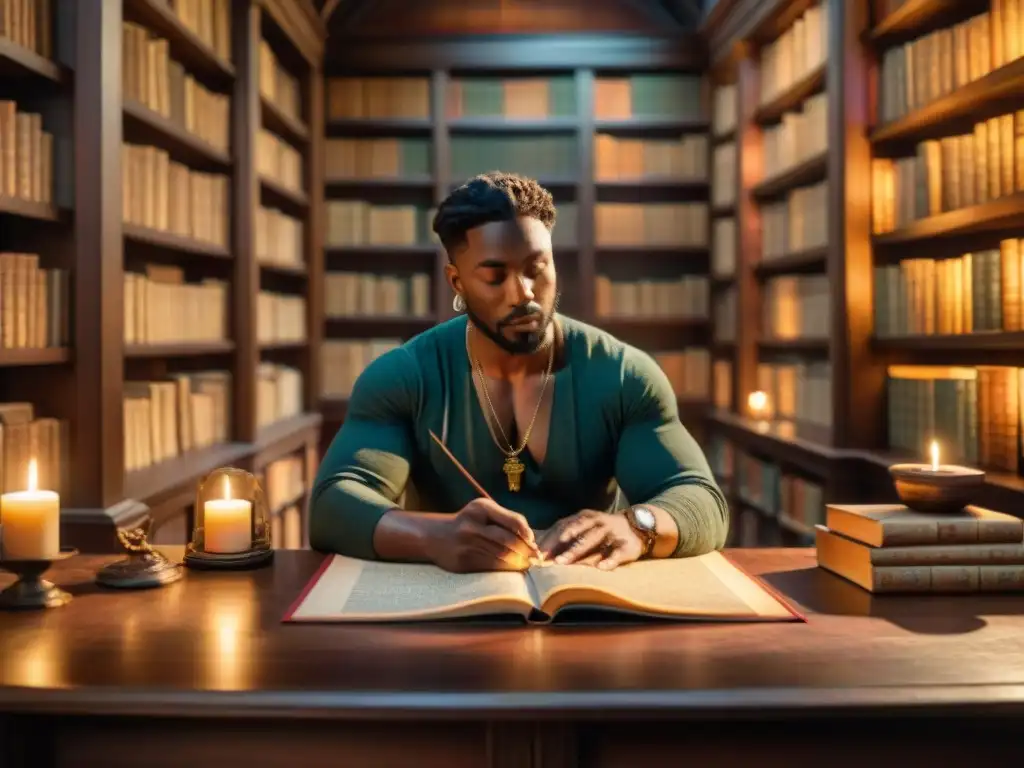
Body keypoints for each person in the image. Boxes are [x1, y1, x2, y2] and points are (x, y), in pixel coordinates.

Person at [309, 171, 728, 572]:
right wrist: (433, 537)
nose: (523, 293)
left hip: (585, 600)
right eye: (495, 276)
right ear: (457, 282)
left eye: (536, 268)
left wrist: (636, 526)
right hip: (450, 613)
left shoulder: (622, 374)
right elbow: (332, 506)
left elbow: (703, 501)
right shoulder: (405, 376)